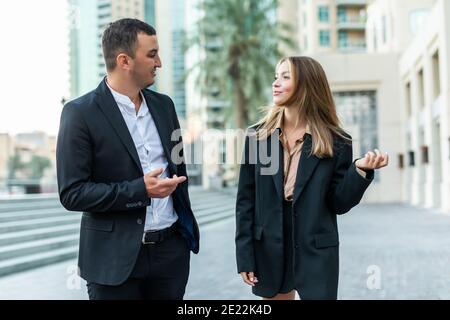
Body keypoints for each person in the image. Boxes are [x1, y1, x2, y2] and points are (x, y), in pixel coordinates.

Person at [56, 18, 199, 300]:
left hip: (170, 254)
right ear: (124, 60)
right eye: (152, 54)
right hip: (112, 261)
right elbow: (72, 193)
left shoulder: (164, 106)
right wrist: (139, 190)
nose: (159, 62)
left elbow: (177, 168)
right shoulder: (79, 113)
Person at [235, 56, 389, 300]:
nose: (276, 82)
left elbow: (338, 202)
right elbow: (246, 201)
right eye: (276, 76)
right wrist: (245, 255)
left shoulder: (337, 141)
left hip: (315, 248)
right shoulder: (258, 137)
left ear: (307, 84)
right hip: (270, 246)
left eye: (285, 77)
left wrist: (358, 170)